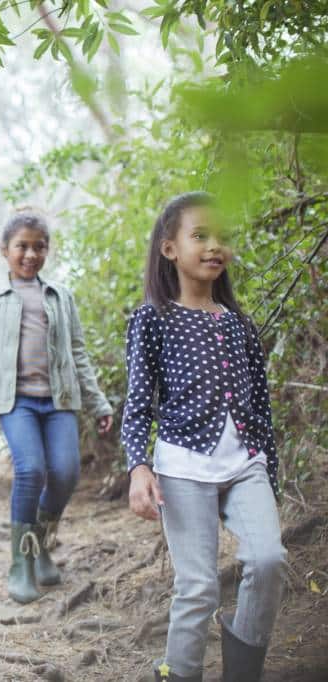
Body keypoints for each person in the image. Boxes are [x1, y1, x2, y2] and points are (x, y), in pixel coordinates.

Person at [122, 192, 286, 682]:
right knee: (198, 587)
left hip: (246, 464)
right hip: (182, 467)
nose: (215, 246)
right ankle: (179, 673)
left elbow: (261, 408)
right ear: (169, 248)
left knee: (268, 557)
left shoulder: (239, 324)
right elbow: (138, 402)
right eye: (201, 236)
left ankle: (242, 673)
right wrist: (139, 465)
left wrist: (268, 479)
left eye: (223, 237)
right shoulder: (154, 317)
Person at [0, 210, 113, 604]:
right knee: (31, 469)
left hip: (59, 400)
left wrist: (98, 402)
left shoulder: (61, 296)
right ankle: (21, 563)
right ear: (5, 250)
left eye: (39, 246)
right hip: (15, 402)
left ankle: (40, 544)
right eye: (22, 246)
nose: (31, 254)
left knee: (65, 474)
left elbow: (78, 353)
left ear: (48, 250)